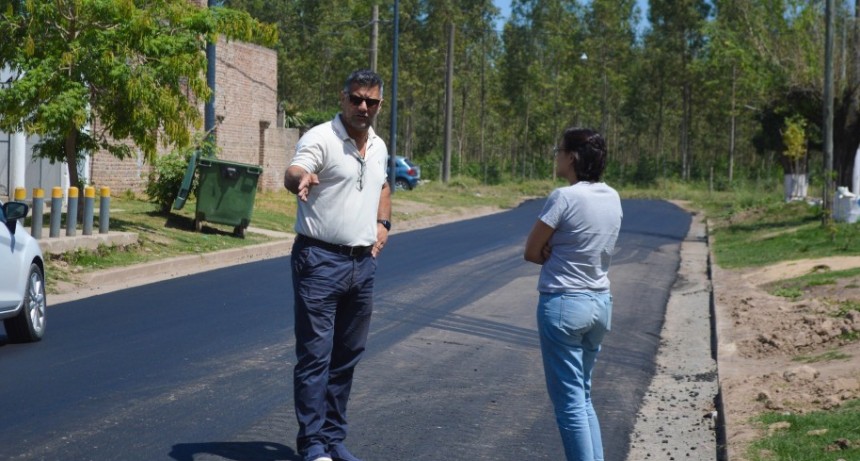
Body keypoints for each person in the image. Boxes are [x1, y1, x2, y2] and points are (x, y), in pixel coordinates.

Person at [284, 69, 391, 461]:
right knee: (315, 357)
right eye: (356, 99)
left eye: (372, 101)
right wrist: (301, 177)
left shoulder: (378, 145)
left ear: (380, 105)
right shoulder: (321, 138)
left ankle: (332, 439)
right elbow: (294, 170)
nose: (363, 107)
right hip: (319, 260)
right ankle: (312, 445)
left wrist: (383, 224)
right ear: (343, 98)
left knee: (347, 355)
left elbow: (382, 185)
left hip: (362, 265)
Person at [523, 128, 622, 461]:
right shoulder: (613, 196)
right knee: (583, 396)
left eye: (559, 150)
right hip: (600, 304)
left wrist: (553, 250)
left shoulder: (563, 197)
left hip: (564, 304)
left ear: (573, 157)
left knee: (569, 405)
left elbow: (532, 251)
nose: (557, 156)